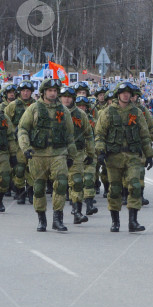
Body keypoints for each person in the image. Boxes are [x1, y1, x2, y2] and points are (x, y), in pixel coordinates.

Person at [18, 78, 78, 232]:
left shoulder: (63, 111)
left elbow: (70, 135)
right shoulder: (33, 109)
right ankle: (41, 219)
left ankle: (58, 219)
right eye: (50, 91)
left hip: (58, 154)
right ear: (44, 92)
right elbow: (23, 129)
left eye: (55, 91)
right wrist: (26, 147)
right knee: (38, 188)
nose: (53, 93)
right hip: (38, 155)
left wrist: (71, 155)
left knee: (61, 185)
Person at [94, 82, 153, 233]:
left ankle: (133, 221)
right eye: (123, 93)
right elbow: (100, 134)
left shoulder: (137, 112)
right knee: (114, 190)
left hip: (133, 156)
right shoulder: (108, 112)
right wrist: (100, 152)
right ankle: (115, 221)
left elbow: (144, 135)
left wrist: (149, 154)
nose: (126, 95)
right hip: (114, 156)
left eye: (128, 93)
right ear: (118, 95)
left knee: (134, 186)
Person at [60, 86, 92, 224]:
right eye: (64, 96)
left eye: (69, 96)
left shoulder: (80, 114)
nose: (66, 99)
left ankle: (77, 212)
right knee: (60, 184)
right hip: (57, 153)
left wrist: (91, 153)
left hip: (77, 153)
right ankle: (57, 216)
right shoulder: (52, 112)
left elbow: (88, 135)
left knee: (77, 182)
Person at [4, 81, 35, 205]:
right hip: (17, 143)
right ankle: (20, 192)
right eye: (23, 91)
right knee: (19, 169)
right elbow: (4, 121)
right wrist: (13, 130)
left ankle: (31, 192)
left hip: (32, 142)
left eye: (28, 91)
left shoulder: (36, 105)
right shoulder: (13, 106)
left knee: (32, 169)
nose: (25, 93)